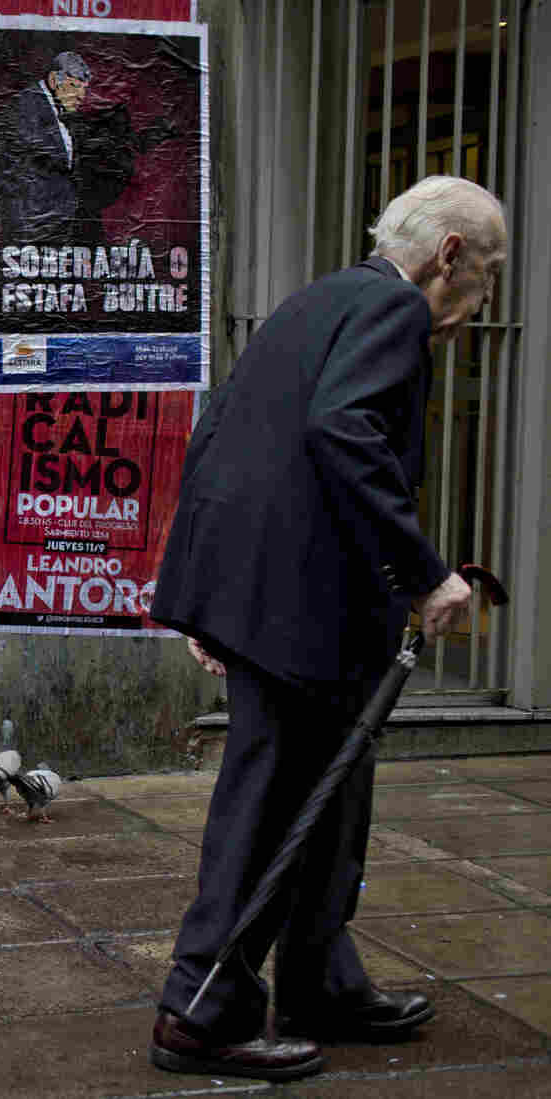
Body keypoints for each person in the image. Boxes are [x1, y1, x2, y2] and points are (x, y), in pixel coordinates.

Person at [147, 175, 506, 1081]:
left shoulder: (317, 298)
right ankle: (203, 1010)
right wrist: (428, 576)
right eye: (490, 272)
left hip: (284, 596)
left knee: (332, 797)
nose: (486, 298)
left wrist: (204, 589)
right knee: (273, 804)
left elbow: (221, 427)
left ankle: (317, 980)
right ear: (450, 255)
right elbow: (343, 430)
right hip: (297, 602)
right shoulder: (392, 314)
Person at [0, 52, 91, 244]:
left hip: (54, 228)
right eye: (74, 86)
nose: (81, 96)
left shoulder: (60, 109)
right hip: (32, 231)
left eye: (84, 89)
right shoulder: (26, 106)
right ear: (55, 80)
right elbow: (12, 175)